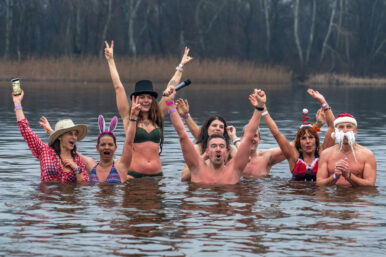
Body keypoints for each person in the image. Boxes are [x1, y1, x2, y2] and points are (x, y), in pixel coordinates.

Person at [104, 41, 193, 178]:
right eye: (142, 97)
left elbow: (171, 86)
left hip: (157, 177)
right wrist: (110, 60)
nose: (146, 100)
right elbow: (118, 87)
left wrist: (181, 66)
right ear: (135, 99)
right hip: (133, 176)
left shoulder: (158, 115)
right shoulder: (129, 116)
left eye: (149, 97)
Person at [165, 87, 266, 185]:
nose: (218, 149)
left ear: (226, 151)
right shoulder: (197, 165)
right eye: (214, 146)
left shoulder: (234, 168)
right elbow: (182, 135)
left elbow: (248, 137)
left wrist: (260, 107)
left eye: (221, 146)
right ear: (207, 151)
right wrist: (169, 104)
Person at [40, 96, 142, 183]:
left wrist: (133, 118)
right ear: (97, 147)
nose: (106, 147)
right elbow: (68, 146)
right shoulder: (91, 165)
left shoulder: (121, 166)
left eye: (110, 145)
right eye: (103, 145)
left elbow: (129, 142)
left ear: (115, 147)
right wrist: (52, 132)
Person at [12, 90, 88, 183]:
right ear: (60, 137)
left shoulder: (77, 159)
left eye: (75, 134)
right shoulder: (45, 152)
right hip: (47, 196)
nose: (74, 137)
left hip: (69, 196)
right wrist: (17, 103)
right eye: (70, 134)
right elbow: (25, 129)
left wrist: (75, 167)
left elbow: (83, 186)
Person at [227, 108, 327, 178]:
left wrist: (317, 125)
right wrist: (233, 138)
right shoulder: (233, 154)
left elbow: (293, 145)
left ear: (260, 139)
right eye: (249, 136)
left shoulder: (267, 157)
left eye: (255, 136)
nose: (252, 139)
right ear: (242, 138)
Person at [261, 89, 335, 181]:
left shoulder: (323, 153)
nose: (308, 141)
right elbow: (276, 133)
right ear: (299, 142)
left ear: (316, 140)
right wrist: (263, 108)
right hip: (296, 194)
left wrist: (323, 102)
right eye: (303, 138)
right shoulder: (293, 156)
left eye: (311, 137)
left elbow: (333, 127)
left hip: (319, 194)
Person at [316, 113, 376, 186]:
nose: (345, 130)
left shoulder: (367, 154)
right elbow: (319, 183)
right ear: (335, 131)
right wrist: (334, 177)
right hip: (333, 196)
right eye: (341, 127)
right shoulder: (326, 154)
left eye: (349, 126)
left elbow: (370, 184)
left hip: (356, 195)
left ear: (355, 131)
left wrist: (349, 176)